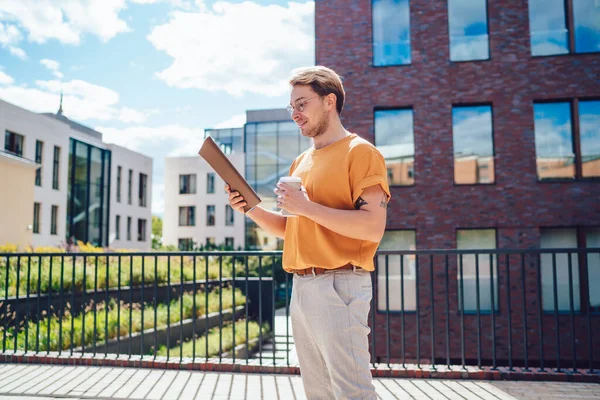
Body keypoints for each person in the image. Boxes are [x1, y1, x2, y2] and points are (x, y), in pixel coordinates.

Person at [226, 65, 390, 400]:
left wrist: (305, 207)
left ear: (329, 101)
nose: (295, 114)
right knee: (319, 393)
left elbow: (372, 227)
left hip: (339, 284)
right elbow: (294, 229)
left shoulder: (361, 152)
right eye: (292, 107)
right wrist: (250, 208)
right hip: (303, 287)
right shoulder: (301, 161)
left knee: (352, 392)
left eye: (302, 104)